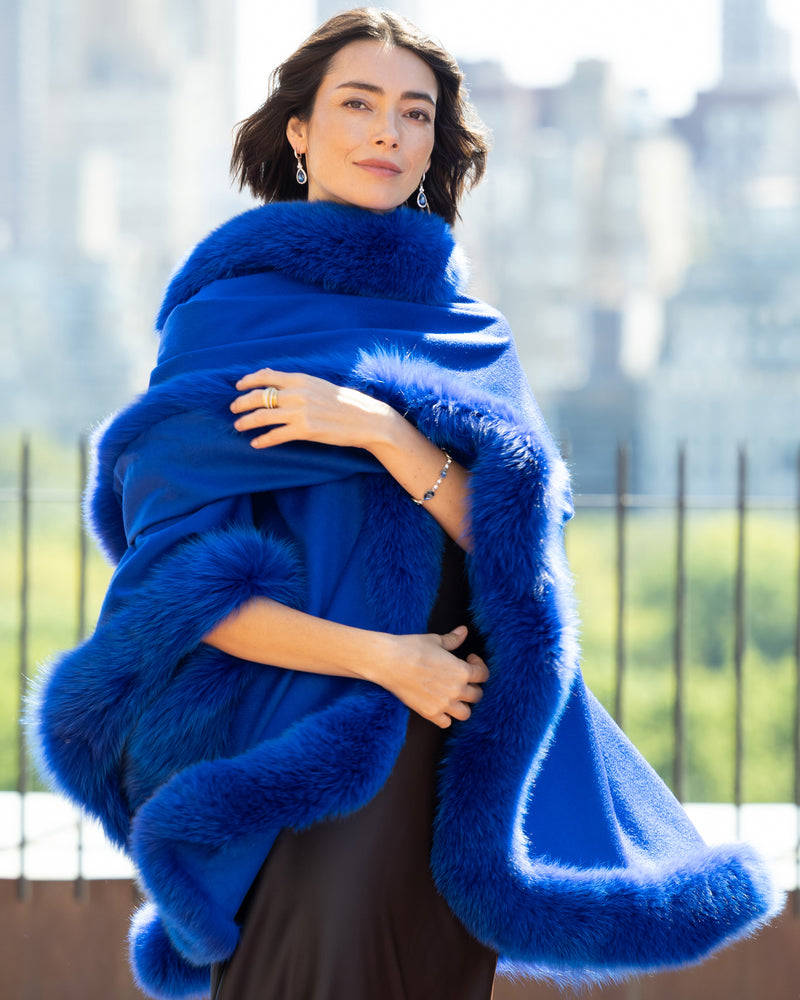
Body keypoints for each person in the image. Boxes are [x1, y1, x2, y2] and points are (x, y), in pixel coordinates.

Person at [31, 9, 780, 1000]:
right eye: (357, 103)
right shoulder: (227, 319)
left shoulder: (469, 331)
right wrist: (387, 662)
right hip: (303, 757)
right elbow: (180, 598)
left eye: (413, 113)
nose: (388, 132)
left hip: (457, 762)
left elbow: (518, 559)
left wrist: (380, 429)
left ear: (436, 141)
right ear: (297, 130)